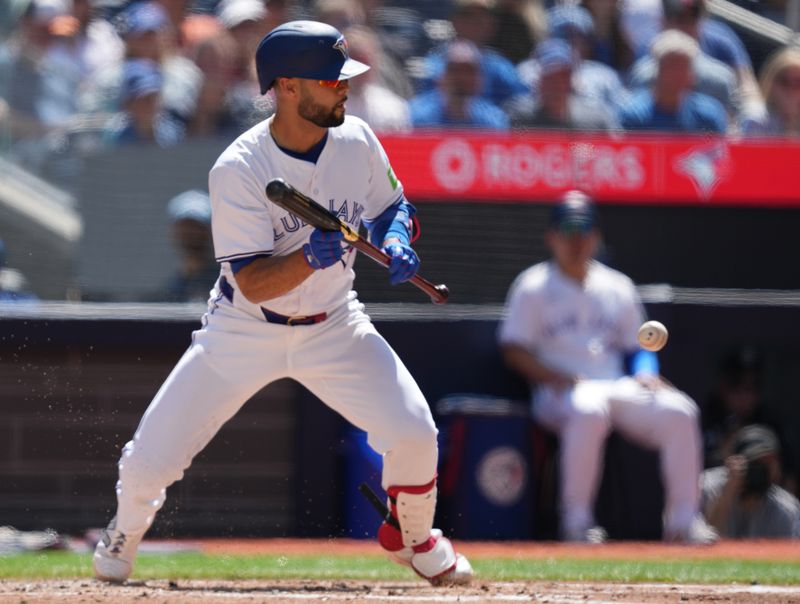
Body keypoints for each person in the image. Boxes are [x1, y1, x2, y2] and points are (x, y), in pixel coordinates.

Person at [92, 20, 473, 586]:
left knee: (416, 432)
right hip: (244, 329)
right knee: (151, 460)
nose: (344, 88)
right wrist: (309, 258)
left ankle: (413, 538)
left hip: (336, 323)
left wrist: (394, 238)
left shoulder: (357, 138)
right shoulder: (240, 168)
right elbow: (252, 283)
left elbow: (394, 205)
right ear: (289, 86)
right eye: (331, 80)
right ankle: (121, 536)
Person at [498, 190, 718, 544]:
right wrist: (552, 374)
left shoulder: (617, 285)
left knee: (681, 411)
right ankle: (577, 523)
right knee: (588, 411)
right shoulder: (533, 285)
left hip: (616, 384)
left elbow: (639, 346)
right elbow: (512, 350)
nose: (576, 240)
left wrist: (646, 371)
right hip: (559, 390)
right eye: (567, 231)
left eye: (583, 231)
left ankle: (683, 522)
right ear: (551, 237)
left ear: (596, 236)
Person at [618, 29, 727, 133]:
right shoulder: (633, 113)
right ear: (658, 70)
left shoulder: (708, 114)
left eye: (683, 68)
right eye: (671, 66)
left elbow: (719, 149)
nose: (677, 74)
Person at [702, 425, 800, 538]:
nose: (761, 472)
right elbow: (703, 542)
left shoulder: (786, 508)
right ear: (735, 463)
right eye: (756, 464)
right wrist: (728, 492)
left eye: (768, 465)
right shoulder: (707, 488)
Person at [508, 38, 618, 131]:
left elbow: (615, 150)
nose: (558, 86)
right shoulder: (520, 118)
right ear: (538, 80)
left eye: (564, 78)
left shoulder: (595, 119)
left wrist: (583, 152)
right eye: (551, 78)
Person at [410, 39, 509, 130]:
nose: (462, 77)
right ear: (440, 76)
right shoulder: (416, 117)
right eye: (454, 70)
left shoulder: (492, 122)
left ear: (480, 79)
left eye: (469, 71)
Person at [152, 189, 219, 302]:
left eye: (197, 227)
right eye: (185, 227)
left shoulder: (225, 284)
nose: (191, 234)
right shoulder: (172, 288)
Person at [741, 46, 800, 137]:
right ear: (771, 83)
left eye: (798, 83)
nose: (790, 90)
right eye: (784, 82)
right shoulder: (756, 119)